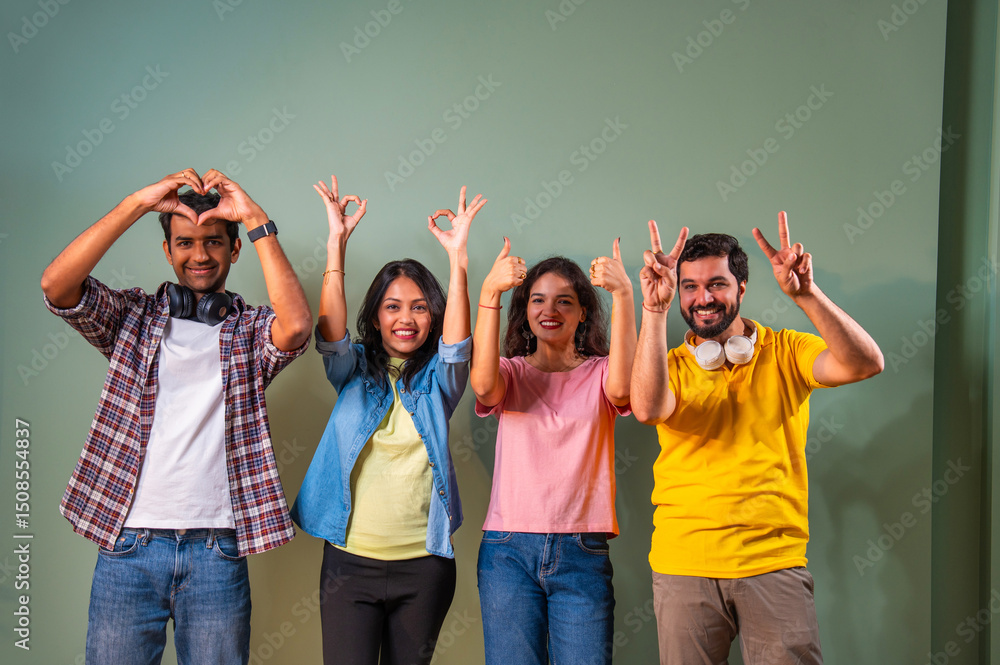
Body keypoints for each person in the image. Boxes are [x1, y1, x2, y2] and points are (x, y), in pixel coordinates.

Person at [40, 168, 313, 665]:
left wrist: (254, 217)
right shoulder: (132, 318)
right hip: (129, 547)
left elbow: (295, 327)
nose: (200, 255)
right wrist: (136, 203)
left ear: (234, 249)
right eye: (185, 242)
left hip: (217, 550)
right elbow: (57, 286)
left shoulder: (251, 331)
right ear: (168, 252)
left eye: (213, 241)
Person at [631, 213, 885, 665]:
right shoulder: (667, 364)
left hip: (774, 564)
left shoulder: (787, 349)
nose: (702, 298)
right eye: (689, 287)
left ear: (742, 288)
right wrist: (653, 309)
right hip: (684, 564)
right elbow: (647, 409)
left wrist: (806, 294)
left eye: (717, 284)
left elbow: (865, 363)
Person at [291, 177, 484, 665]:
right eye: (393, 306)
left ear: (433, 317)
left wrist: (458, 260)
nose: (406, 318)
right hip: (349, 564)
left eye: (420, 308)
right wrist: (336, 241)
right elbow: (329, 334)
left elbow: (458, 345)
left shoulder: (442, 380)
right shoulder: (352, 369)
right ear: (375, 317)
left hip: (425, 568)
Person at [470, 237, 636, 665]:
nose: (550, 310)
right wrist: (489, 293)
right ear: (525, 311)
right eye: (539, 300)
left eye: (564, 301)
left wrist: (623, 295)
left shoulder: (602, 372)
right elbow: (484, 386)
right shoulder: (510, 372)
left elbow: (623, 388)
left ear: (583, 313)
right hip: (507, 551)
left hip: (582, 549)